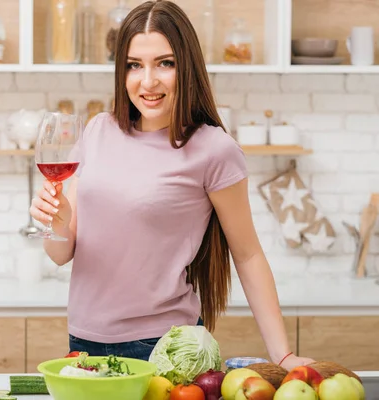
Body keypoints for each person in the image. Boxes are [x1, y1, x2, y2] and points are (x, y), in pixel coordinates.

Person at [29, 0, 314, 370]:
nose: (148, 81)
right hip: (84, 342)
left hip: (163, 347)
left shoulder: (213, 150)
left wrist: (283, 354)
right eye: (135, 65)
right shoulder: (99, 129)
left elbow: (248, 255)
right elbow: (61, 254)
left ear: (187, 66)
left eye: (165, 63)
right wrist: (57, 222)